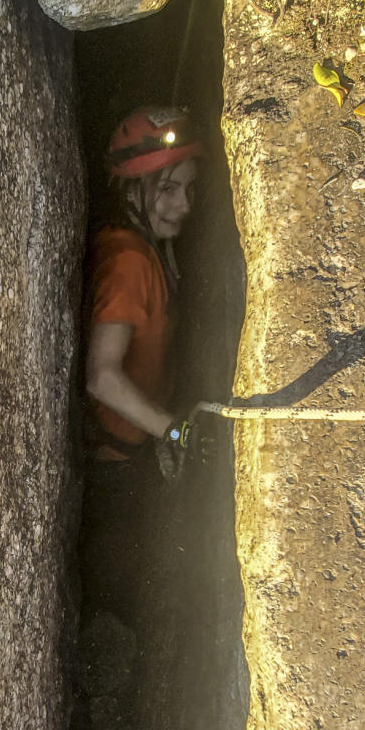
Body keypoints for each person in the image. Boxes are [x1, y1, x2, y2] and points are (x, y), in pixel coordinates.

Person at [84, 105, 204, 465]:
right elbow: (102, 376)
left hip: (142, 438)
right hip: (121, 457)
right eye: (167, 188)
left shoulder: (148, 247)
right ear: (131, 191)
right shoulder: (129, 262)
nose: (184, 205)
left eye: (189, 188)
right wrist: (176, 431)